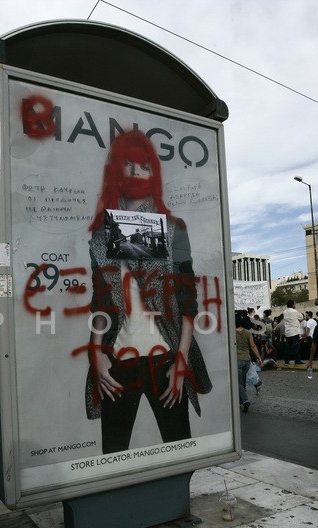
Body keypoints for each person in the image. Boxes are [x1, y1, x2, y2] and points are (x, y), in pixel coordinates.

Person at [83, 130, 212, 454]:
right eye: (129, 165)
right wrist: (96, 353)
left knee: (178, 448)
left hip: (165, 357)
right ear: (117, 172)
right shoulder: (101, 236)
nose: (137, 173)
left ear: (154, 174)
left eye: (145, 166)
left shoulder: (172, 229)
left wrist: (181, 358)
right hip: (116, 360)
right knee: (113, 454)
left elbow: (187, 300)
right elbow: (100, 301)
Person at [235, 314, 262, 413]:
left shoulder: (231, 333)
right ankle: (240, 402)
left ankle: (245, 401)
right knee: (242, 383)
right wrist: (259, 358)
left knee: (238, 383)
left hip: (237, 360)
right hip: (247, 360)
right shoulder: (247, 333)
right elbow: (253, 346)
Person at [281, 300, 304, 365]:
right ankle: (297, 361)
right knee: (296, 347)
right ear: (292, 305)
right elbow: (301, 317)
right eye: (294, 304)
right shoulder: (294, 311)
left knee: (288, 347)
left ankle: (286, 361)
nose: (295, 305)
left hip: (288, 332)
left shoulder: (284, 312)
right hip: (294, 331)